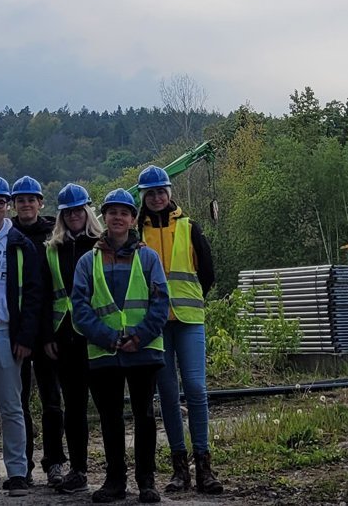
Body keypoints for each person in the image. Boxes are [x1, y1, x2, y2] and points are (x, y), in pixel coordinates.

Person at [70, 190, 168, 506]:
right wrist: (108, 338)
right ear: (104, 218)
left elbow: (160, 303)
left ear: (132, 219)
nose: (117, 217)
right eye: (111, 212)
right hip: (104, 353)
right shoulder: (88, 261)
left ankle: (146, 482)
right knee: (110, 419)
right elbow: (80, 308)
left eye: (124, 213)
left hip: (144, 351)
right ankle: (115, 481)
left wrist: (138, 337)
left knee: (144, 417)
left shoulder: (149, 257)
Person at [135, 167, 222, 495]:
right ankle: (179, 469)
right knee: (168, 396)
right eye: (151, 193)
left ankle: (204, 466)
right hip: (155, 325)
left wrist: (194, 299)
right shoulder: (136, 233)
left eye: (162, 191)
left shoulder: (189, 226)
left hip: (188, 320)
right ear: (144, 197)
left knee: (197, 390)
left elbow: (208, 272)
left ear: (169, 193)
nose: (157, 197)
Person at [0, 176, 44, 491]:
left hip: (6, 336)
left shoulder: (19, 243)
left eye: (0, 202)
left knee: (12, 407)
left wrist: (25, 338)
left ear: (7, 205)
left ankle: (17, 472)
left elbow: (32, 294)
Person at [9, 176, 67, 486]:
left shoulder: (53, 237)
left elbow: (51, 290)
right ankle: (24, 464)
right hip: (17, 334)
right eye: (21, 200)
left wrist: (47, 335)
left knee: (51, 401)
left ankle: (54, 463)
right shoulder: (7, 237)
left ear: (40, 203)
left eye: (32, 199)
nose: (27, 204)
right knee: (18, 404)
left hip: (46, 333)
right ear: (13, 205)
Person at [45, 185, 101, 496]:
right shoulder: (52, 248)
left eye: (78, 211)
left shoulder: (102, 245)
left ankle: (114, 472)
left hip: (95, 336)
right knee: (74, 408)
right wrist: (48, 336)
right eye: (68, 212)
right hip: (64, 337)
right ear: (62, 216)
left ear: (87, 212)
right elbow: (45, 297)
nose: (74, 216)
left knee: (106, 408)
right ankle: (78, 470)